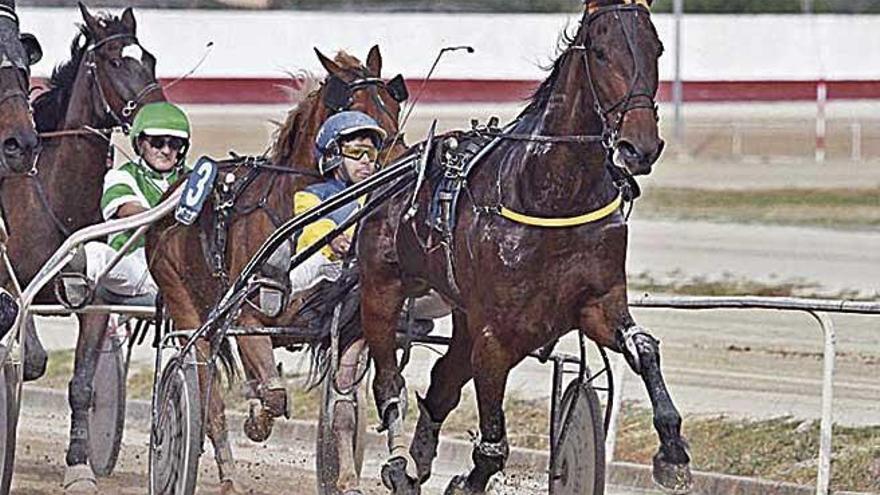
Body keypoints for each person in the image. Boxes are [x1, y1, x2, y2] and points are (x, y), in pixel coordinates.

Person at [61, 102, 192, 305]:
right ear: (140, 143)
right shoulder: (121, 176)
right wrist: (172, 217)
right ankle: (77, 290)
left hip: (184, 270)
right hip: (135, 266)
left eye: (174, 144)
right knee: (94, 252)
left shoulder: (192, 180)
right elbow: (128, 211)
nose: (166, 150)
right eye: (158, 142)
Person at [288, 110, 387, 293]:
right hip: (323, 268)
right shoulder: (310, 195)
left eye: (371, 154)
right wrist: (332, 238)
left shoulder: (381, 196)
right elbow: (312, 224)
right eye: (356, 152)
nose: (366, 161)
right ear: (333, 155)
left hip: (368, 274)